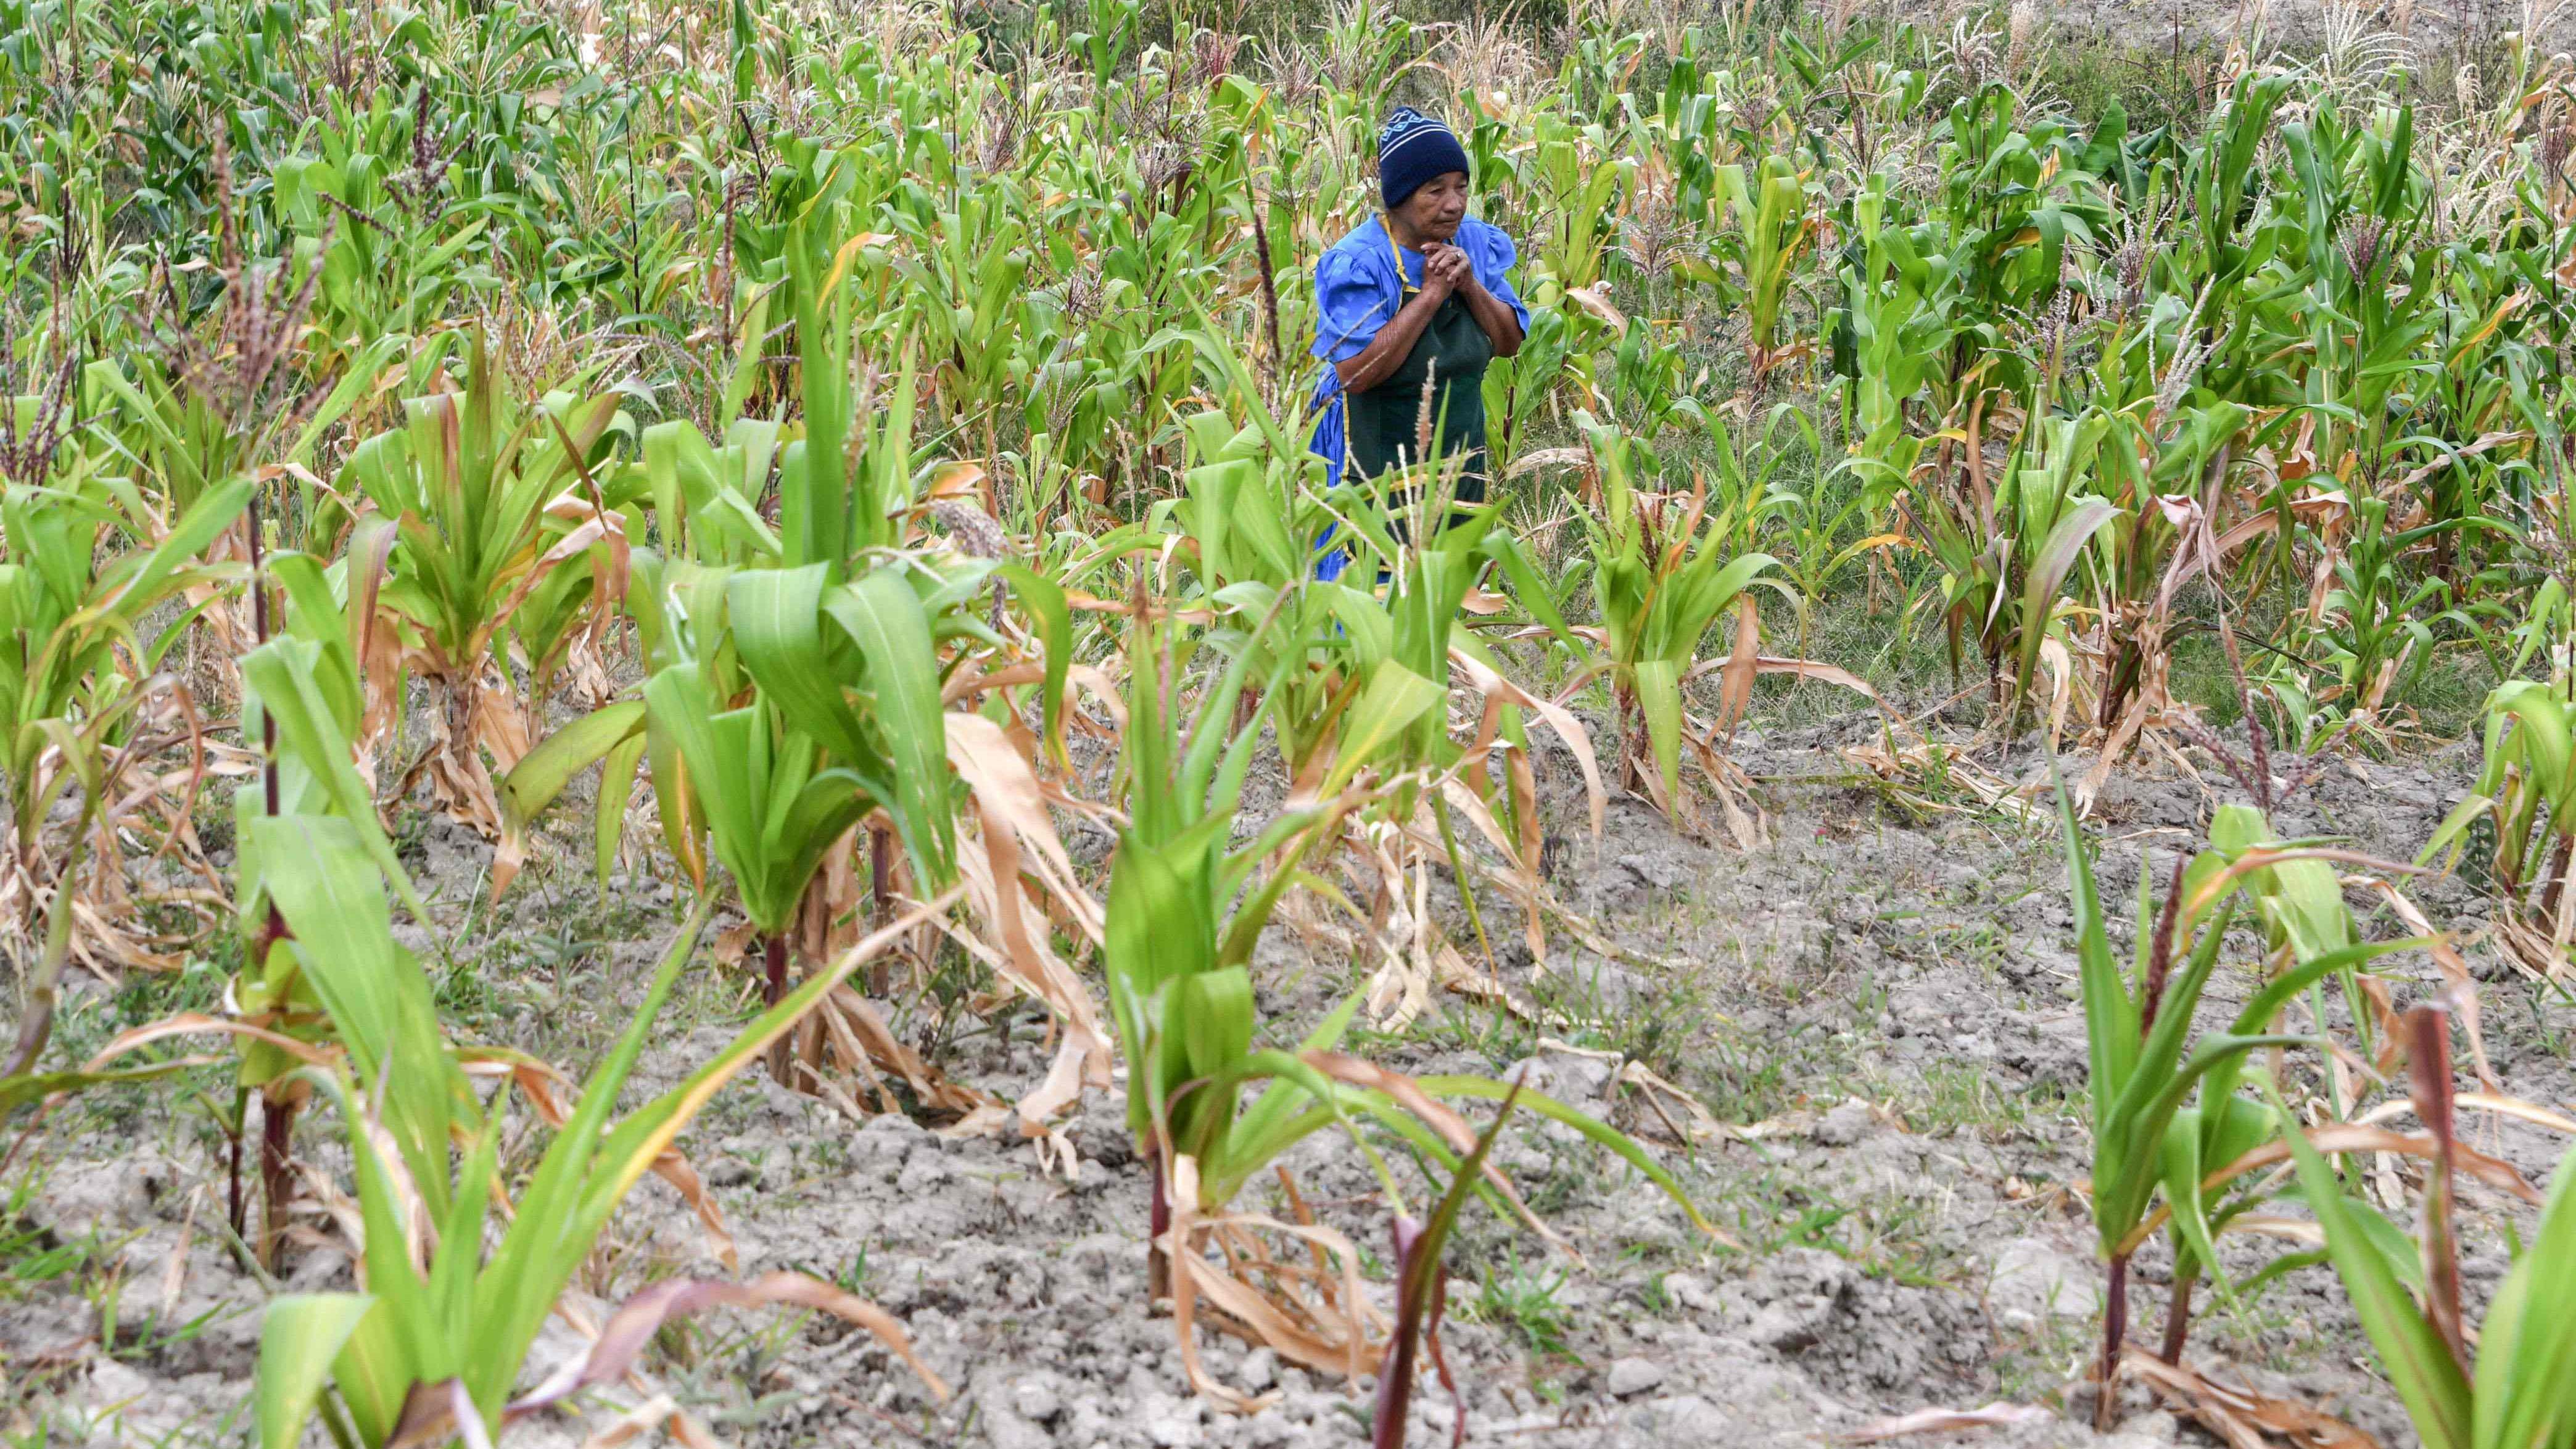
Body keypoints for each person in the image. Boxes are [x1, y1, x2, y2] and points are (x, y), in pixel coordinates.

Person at [1308, 107, 1528, 576]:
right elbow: (1356, 373)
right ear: (1400, 199)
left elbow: (1509, 341)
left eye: (1461, 186)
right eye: (1436, 190)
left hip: (1456, 453)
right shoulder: (1360, 262)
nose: (1454, 203)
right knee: (1374, 585)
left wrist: (1469, 286)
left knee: (1444, 588)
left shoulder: (1475, 242)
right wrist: (1430, 296)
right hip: (1374, 460)